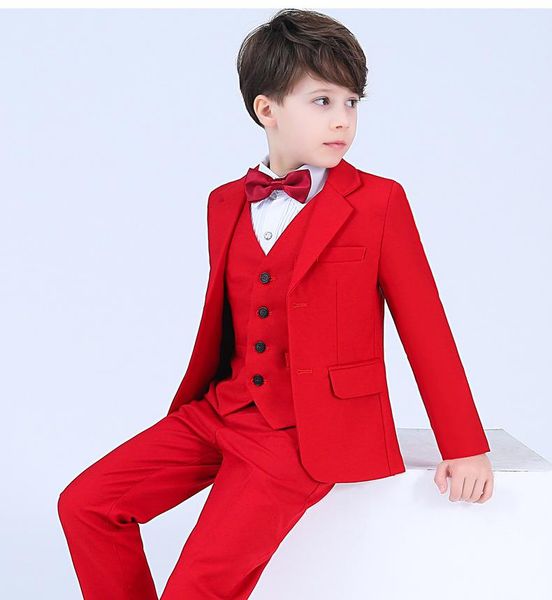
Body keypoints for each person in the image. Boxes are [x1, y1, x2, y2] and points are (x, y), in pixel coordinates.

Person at [58, 8, 494, 599]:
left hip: (300, 436)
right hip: (218, 412)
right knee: (86, 504)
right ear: (267, 110)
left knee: (196, 587)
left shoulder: (379, 202)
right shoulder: (223, 204)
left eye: (352, 102)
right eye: (322, 101)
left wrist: (464, 446)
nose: (342, 120)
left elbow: (426, 327)